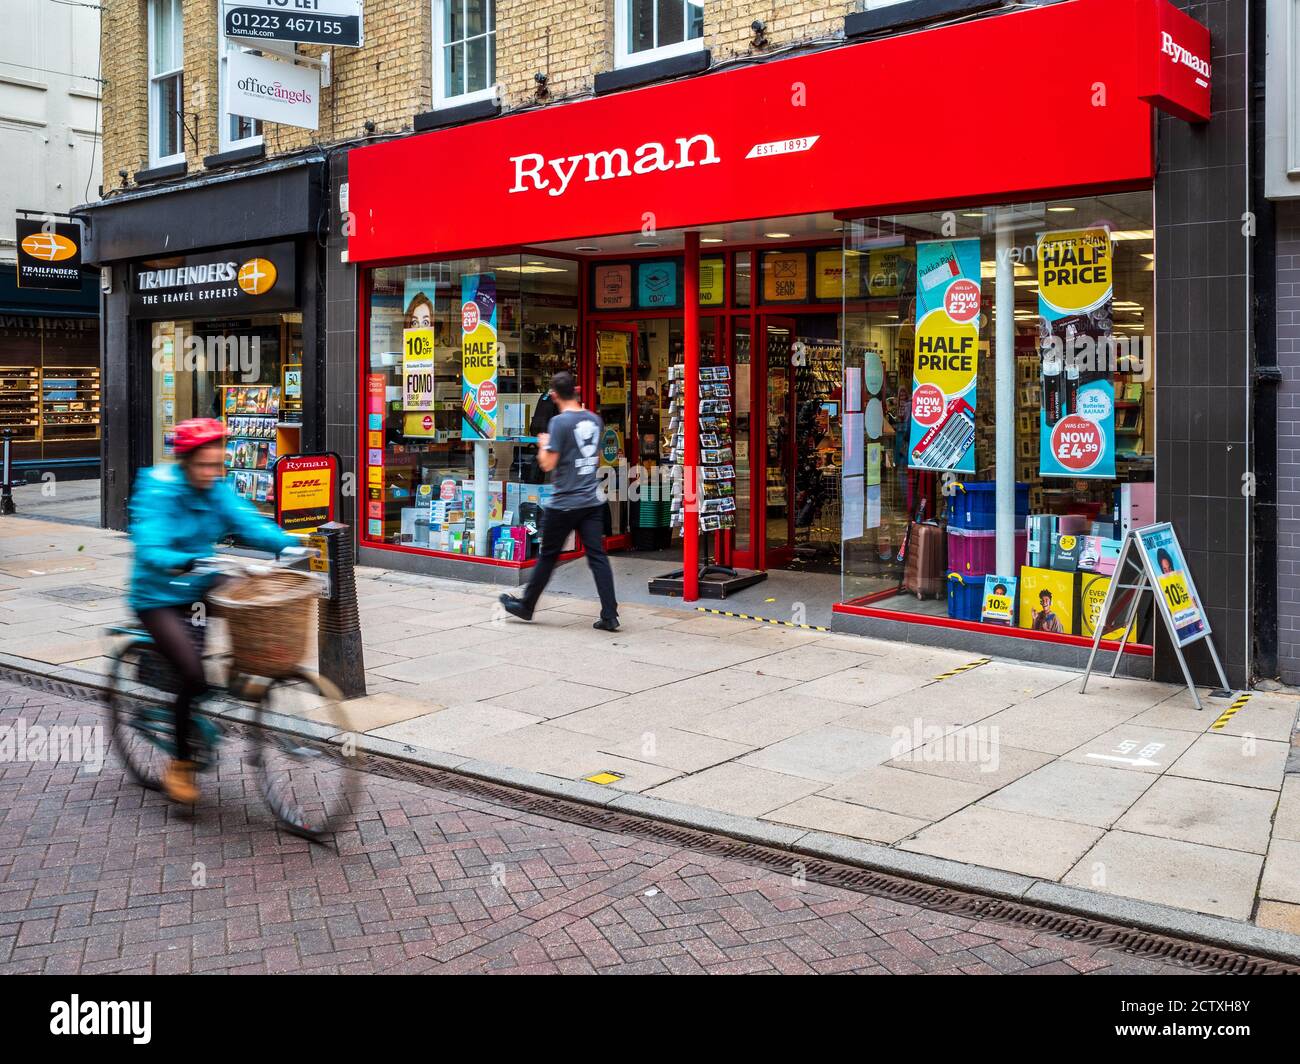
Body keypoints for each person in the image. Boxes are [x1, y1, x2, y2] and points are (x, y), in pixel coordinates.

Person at [129, 418, 295, 803]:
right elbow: (150, 547)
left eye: (217, 464)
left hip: (200, 586)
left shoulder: (215, 490)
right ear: (185, 462)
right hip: (158, 596)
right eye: (203, 465)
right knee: (192, 674)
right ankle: (181, 766)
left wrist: (292, 545)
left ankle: (243, 672)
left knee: (251, 603)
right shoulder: (159, 490)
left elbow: (248, 524)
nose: (211, 473)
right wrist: (185, 561)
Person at [500, 370, 620, 630]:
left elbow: (547, 464)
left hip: (564, 501)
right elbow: (594, 457)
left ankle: (526, 605)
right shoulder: (595, 419)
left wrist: (544, 443)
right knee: (597, 557)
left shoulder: (559, 424)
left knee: (548, 555)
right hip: (591, 501)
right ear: (576, 389)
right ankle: (610, 614)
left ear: (553, 395)